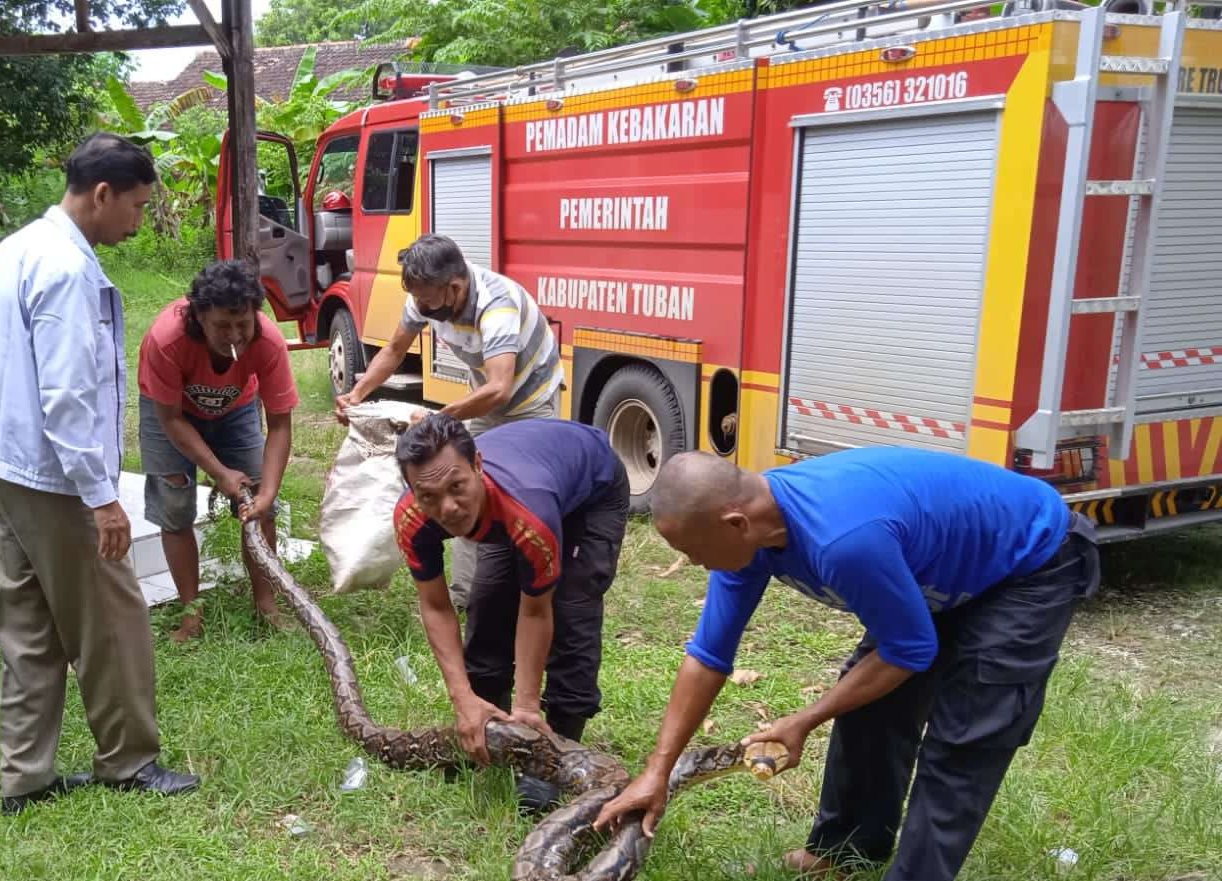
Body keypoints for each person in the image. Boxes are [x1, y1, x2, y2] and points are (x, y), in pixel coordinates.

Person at [594, 448, 1100, 880]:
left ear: (734, 523)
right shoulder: (748, 542)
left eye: (692, 549)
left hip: (1028, 563)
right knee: (868, 707)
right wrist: (656, 772)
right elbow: (709, 656)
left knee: (966, 735)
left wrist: (806, 719)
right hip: (938, 570)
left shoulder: (842, 540)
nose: (693, 562)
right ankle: (847, 853)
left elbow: (909, 651)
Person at [0, 133, 199, 815]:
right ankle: (130, 761)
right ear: (102, 194)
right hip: (49, 472)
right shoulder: (65, 269)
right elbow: (66, 396)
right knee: (113, 617)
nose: (139, 221)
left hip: (0, 461)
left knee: (30, 623)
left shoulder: (17, 247)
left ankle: (25, 777)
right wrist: (102, 497)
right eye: (138, 207)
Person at [392, 413, 629, 813]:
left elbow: (536, 611)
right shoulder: (412, 518)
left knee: (571, 613)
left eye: (456, 487)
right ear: (411, 489)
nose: (447, 508)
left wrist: (527, 706)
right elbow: (435, 605)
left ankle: (552, 749)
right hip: (523, 491)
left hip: (591, 490)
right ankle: (484, 727)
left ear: (478, 467)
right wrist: (462, 698)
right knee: (486, 603)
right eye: (428, 495)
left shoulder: (527, 512)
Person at [337, 234, 564, 608]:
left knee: (524, 492)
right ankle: (467, 597)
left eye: (427, 300)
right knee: (462, 486)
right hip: (486, 399)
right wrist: (357, 393)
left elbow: (500, 389)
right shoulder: (424, 299)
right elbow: (395, 349)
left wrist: (437, 419)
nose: (421, 307)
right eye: (417, 299)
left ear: (455, 287)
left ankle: (532, 589)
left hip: (530, 403)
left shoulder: (497, 306)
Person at [137, 259, 298, 642]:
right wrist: (219, 472)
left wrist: (268, 492)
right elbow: (172, 420)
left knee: (261, 505)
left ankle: (266, 605)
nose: (235, 336)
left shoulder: (268, 342)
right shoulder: (167, 340)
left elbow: (279, 424)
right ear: (198, 316)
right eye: (221, 326)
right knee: (174, 506)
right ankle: (191, 613)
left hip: (237, 408)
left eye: (242, 324)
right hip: (170, 413)